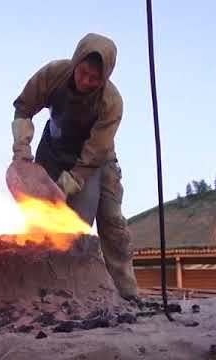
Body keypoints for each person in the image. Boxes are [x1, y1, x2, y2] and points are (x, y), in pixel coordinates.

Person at [11, 33, 137, 299]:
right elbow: (24, 108)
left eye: (95, 79)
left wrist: (65, 187)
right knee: (44, 219)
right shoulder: (53, 74)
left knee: (102, 222)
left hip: (95, 161)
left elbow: (93, 155)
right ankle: (43, 290)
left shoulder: (111, 103)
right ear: (76, 62)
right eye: (83, 73)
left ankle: (125, 294)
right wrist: (22, 154)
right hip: (53, 151)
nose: (86, 82)